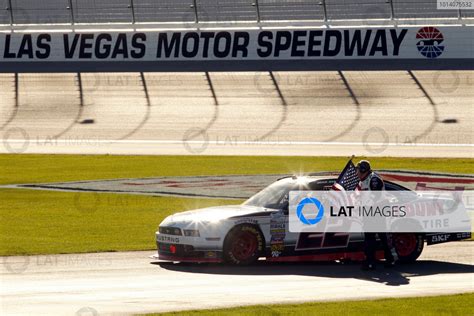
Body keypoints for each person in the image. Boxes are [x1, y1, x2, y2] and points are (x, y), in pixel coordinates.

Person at [355, 160, 397, 270]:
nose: (356, 172)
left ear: (363, 170)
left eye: (358, 169)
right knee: (371, 238)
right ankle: (372, 260)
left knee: (378, 237)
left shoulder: (373, 179)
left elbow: (375, 197)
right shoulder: (362, 181)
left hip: (377, 212)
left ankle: (382, 260)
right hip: (370, 212)